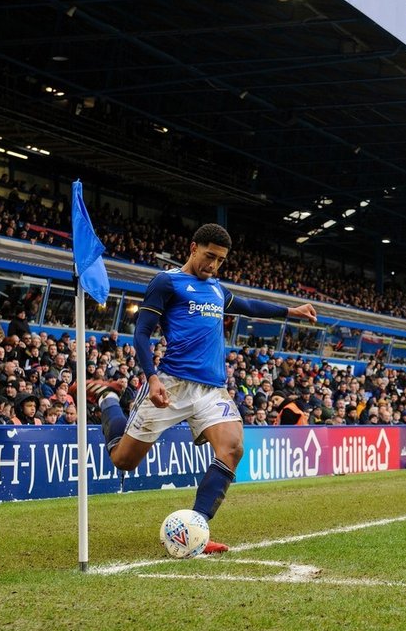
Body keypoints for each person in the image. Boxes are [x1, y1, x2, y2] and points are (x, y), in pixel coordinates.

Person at [80, 223, 316, 555]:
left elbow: (247, 306)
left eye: (220, 260)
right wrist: (152, 378)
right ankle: (107, 398)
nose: (213, 266)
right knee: (123, 459)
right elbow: (142, 334)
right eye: (209, 257)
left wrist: (291, 311)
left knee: (232, 449)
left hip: (211, 390)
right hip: (172, 384)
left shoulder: (218, 290)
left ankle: (196, 529)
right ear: (193, 248)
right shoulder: (167, 283)